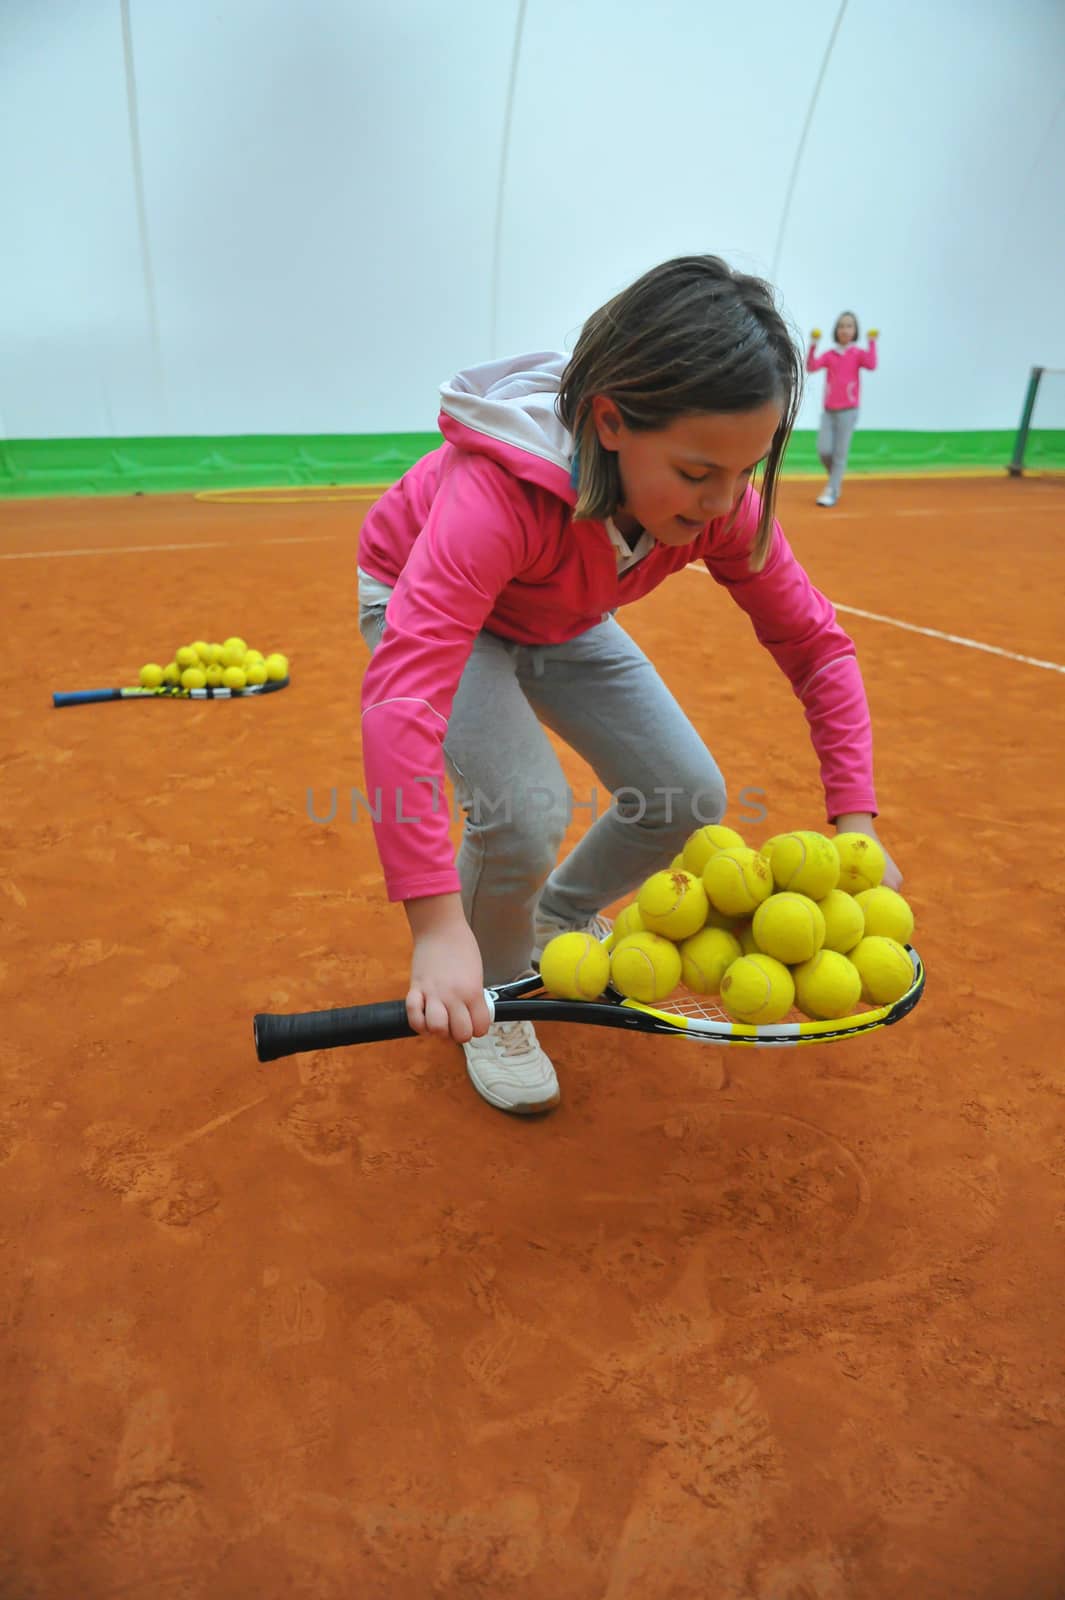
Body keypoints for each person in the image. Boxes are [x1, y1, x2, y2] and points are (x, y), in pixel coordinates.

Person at [356, 256, 901, 1116]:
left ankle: (552, 920)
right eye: (695, 474)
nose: (723, 502)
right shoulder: (493, 498)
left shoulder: (723, 508)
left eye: (745, 471)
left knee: (684, 797)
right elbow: (402, 700)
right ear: (609, 422)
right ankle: (502, 992)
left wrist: (856, 822)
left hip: (559, 611)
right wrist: (434, 929)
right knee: (524, 811)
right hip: (422, 596)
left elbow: (816, 647)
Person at [806, 313, 879, 507]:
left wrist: (871, 342)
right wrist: (813, 344)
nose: (845, 329)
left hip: (849, 411)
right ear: (836, 330)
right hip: (829, 411)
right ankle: (835, 480)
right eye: (841, 326)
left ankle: (831, 490)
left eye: (849, 326)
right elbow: (811, 366)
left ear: (855, 331)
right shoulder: (830, 355)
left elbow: (872, 365)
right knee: (824, 451)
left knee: (839, 454)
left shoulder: (857, 354)